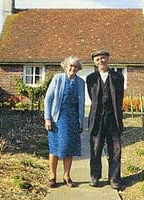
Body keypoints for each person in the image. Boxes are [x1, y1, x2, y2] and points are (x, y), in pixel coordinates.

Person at [44, 56, 85, 188]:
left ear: (79, 69)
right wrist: (48, 118)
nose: (73, 68)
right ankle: (52, 176)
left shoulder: (80, 82)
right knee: (55, 147)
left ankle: (66, 176)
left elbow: (82, 104)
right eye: (71, 66)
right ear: (65, 66)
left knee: (69, 148)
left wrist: (81, 122)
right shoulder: (58, 78)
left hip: (73, 119)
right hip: (57, 118)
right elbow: (48, 99)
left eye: (76, 67)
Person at [86, 50, 124, 189]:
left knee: (115, 149)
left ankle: (114, 178)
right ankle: (95, 177)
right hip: (97, 118)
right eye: (97, 59)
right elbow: (92, 97)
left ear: (108, 59)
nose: (101, 61)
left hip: (113, 117)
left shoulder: (118, 76)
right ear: (94, 62)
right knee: (95, 148)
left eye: (103, 58)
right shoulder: (90, 78)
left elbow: (119, 97)